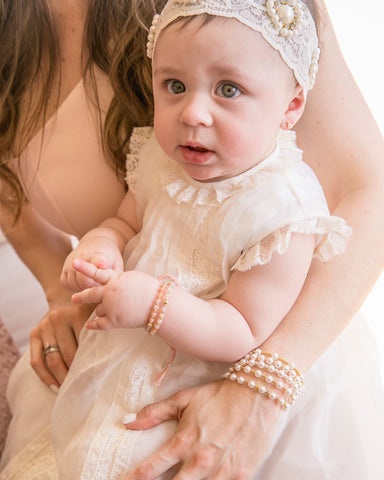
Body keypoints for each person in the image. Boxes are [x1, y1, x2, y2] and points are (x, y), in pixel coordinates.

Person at [0, 0, 383, 478]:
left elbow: (370, 191)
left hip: (255, 351)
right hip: (122, 338)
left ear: (292, 105)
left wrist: (260, 388)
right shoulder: (160, 166)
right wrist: (77, 278)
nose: (194, 112)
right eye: (175, 87)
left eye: (225, 90)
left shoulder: (279, 207)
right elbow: (110, 216)